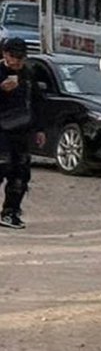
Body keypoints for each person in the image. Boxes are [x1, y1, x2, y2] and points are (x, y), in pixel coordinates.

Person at [0, 37, 44, 229]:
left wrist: (40, 129)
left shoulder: (28, 74)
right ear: (4, 54)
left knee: (20, 174)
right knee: (2, 167)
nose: (16, 61)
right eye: (12, 56)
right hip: (1, 132)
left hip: (22, 131)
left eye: (20, 57)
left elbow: (37, 102)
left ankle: (10, 212)